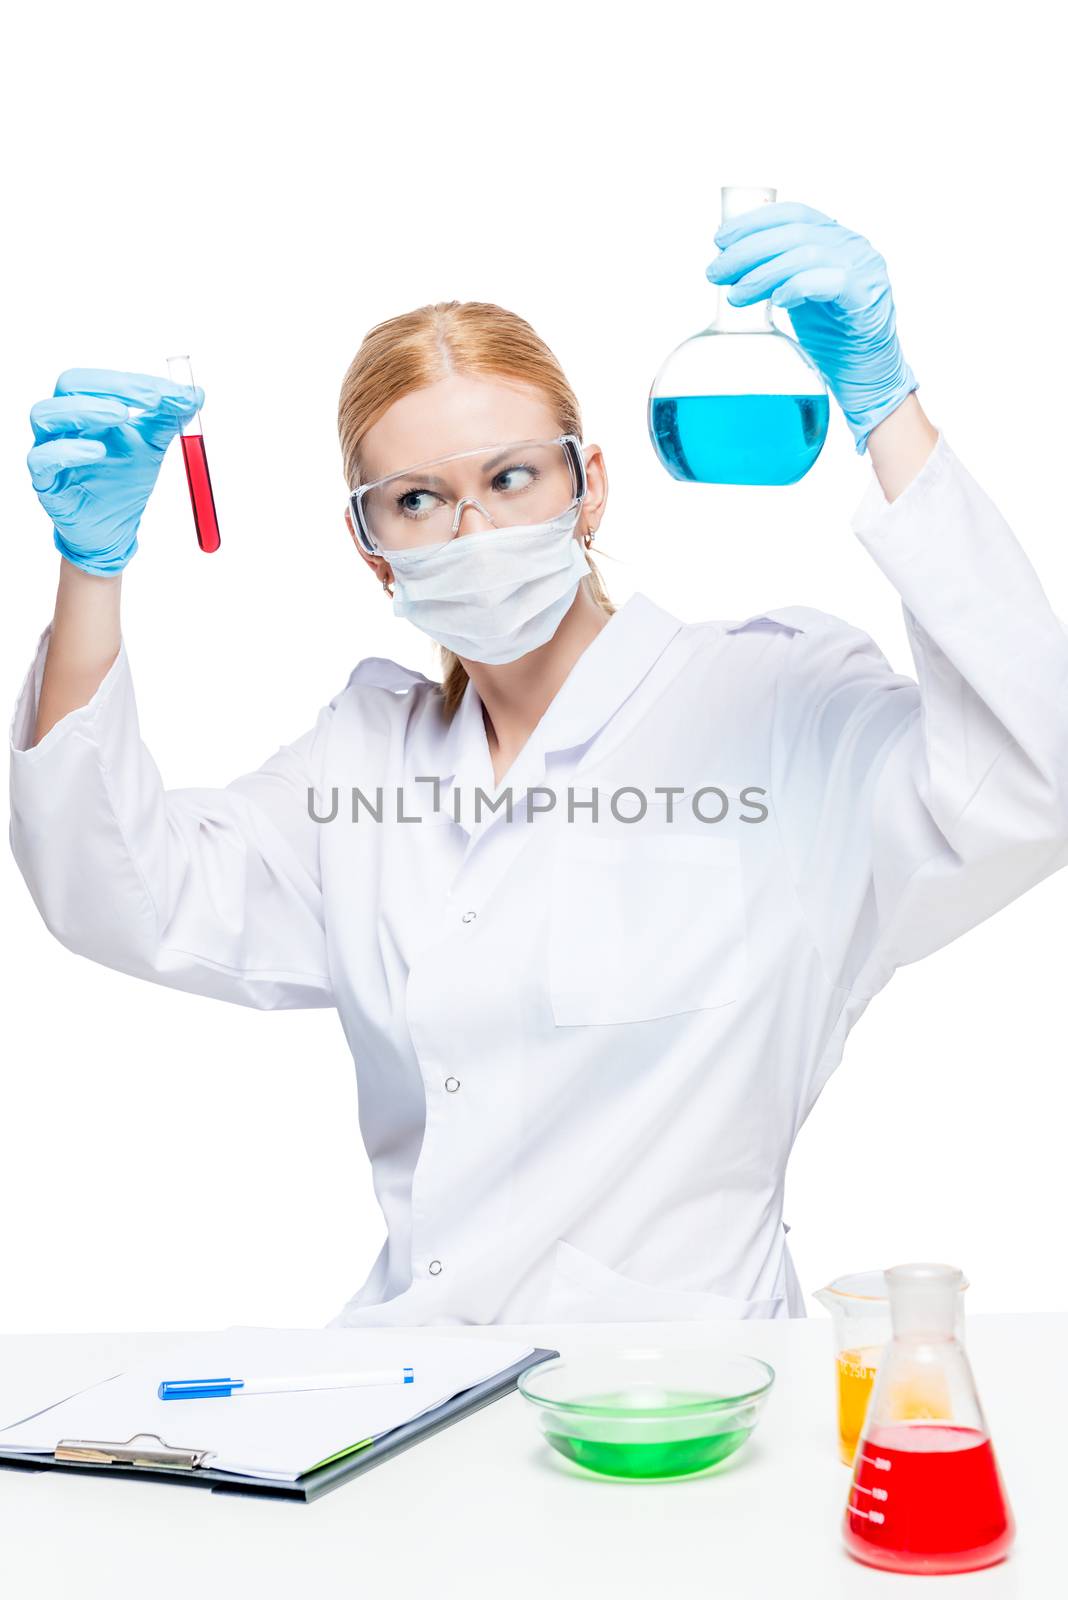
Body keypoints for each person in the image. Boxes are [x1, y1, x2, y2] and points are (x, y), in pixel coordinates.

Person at [10, 204, 1068, 1326]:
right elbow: (116, 890)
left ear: (589, 485)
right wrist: (93, 568)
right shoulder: (367, 760)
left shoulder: (776, 705)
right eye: (415, 500)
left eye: (511, 478)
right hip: (404, 1396)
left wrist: (885, 407)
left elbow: (1028, 776)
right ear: (371, 551)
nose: (473, 530)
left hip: (684, 1414)